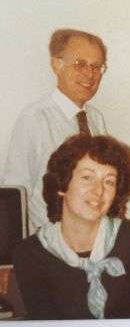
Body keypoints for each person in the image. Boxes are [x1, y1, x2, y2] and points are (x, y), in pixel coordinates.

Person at [13, 134, 130, 320]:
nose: (99, 191)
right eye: (87, 177)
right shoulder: (30, 254)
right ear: (62, 184)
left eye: (109, 181)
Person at [2, 29, 108, 233]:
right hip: (48, 245)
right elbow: (15, 194)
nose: (90, 74)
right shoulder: (35, 119)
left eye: (97, 66)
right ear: (57, 65)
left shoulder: (95, 118)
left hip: (91, 242)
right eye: (80, 64)